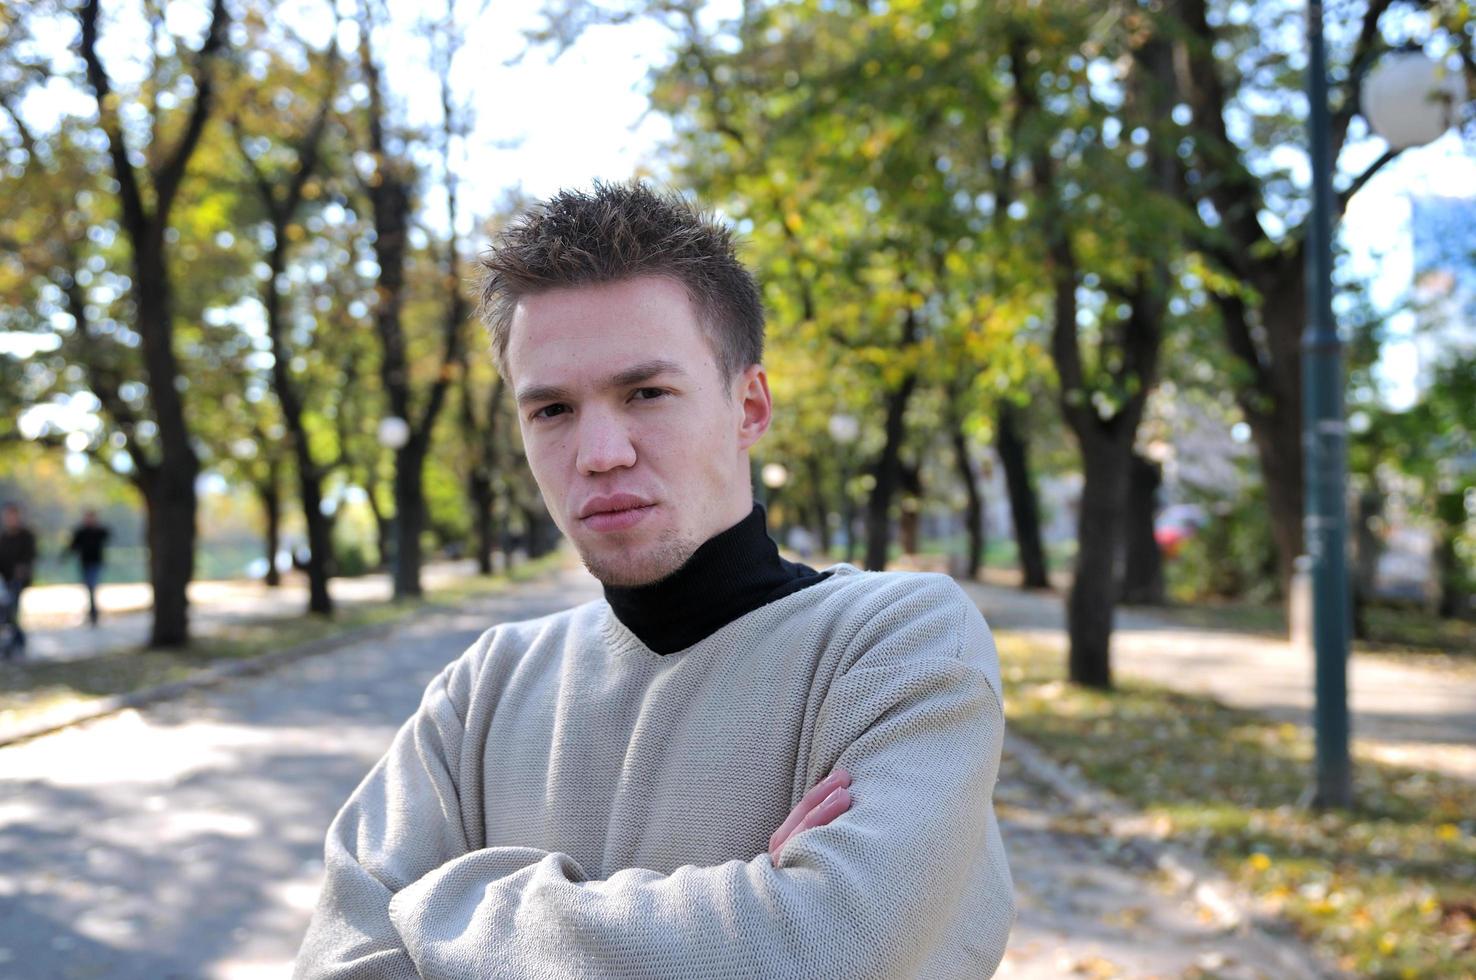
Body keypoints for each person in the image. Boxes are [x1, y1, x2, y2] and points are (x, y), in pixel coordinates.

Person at [294, 183, 1014, 979]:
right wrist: (741, 909)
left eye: (646, 393)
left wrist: (436, 912)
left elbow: (823, 947)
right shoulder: (482, 689)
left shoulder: (897, 642)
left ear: (749, 405)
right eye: (553, 410)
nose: (600, 451)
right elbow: (340, 962)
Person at [0, 502, 38, 660]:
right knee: (6, 613)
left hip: (18, 580)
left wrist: (21, 571)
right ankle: (16, 641)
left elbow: (30, 556)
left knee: (13, 611)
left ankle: (16, 643)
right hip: (4, 580)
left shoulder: (26, 536)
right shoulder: (3, 537)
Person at [68, 509, 111, 627]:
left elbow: (107, 534)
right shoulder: (81, 532)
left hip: (96, 564)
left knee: (92, 587)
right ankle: (92, 612)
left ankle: (93, 614)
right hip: (84, 564)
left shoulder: (98, 531)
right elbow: (73, 546)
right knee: (89, 588)